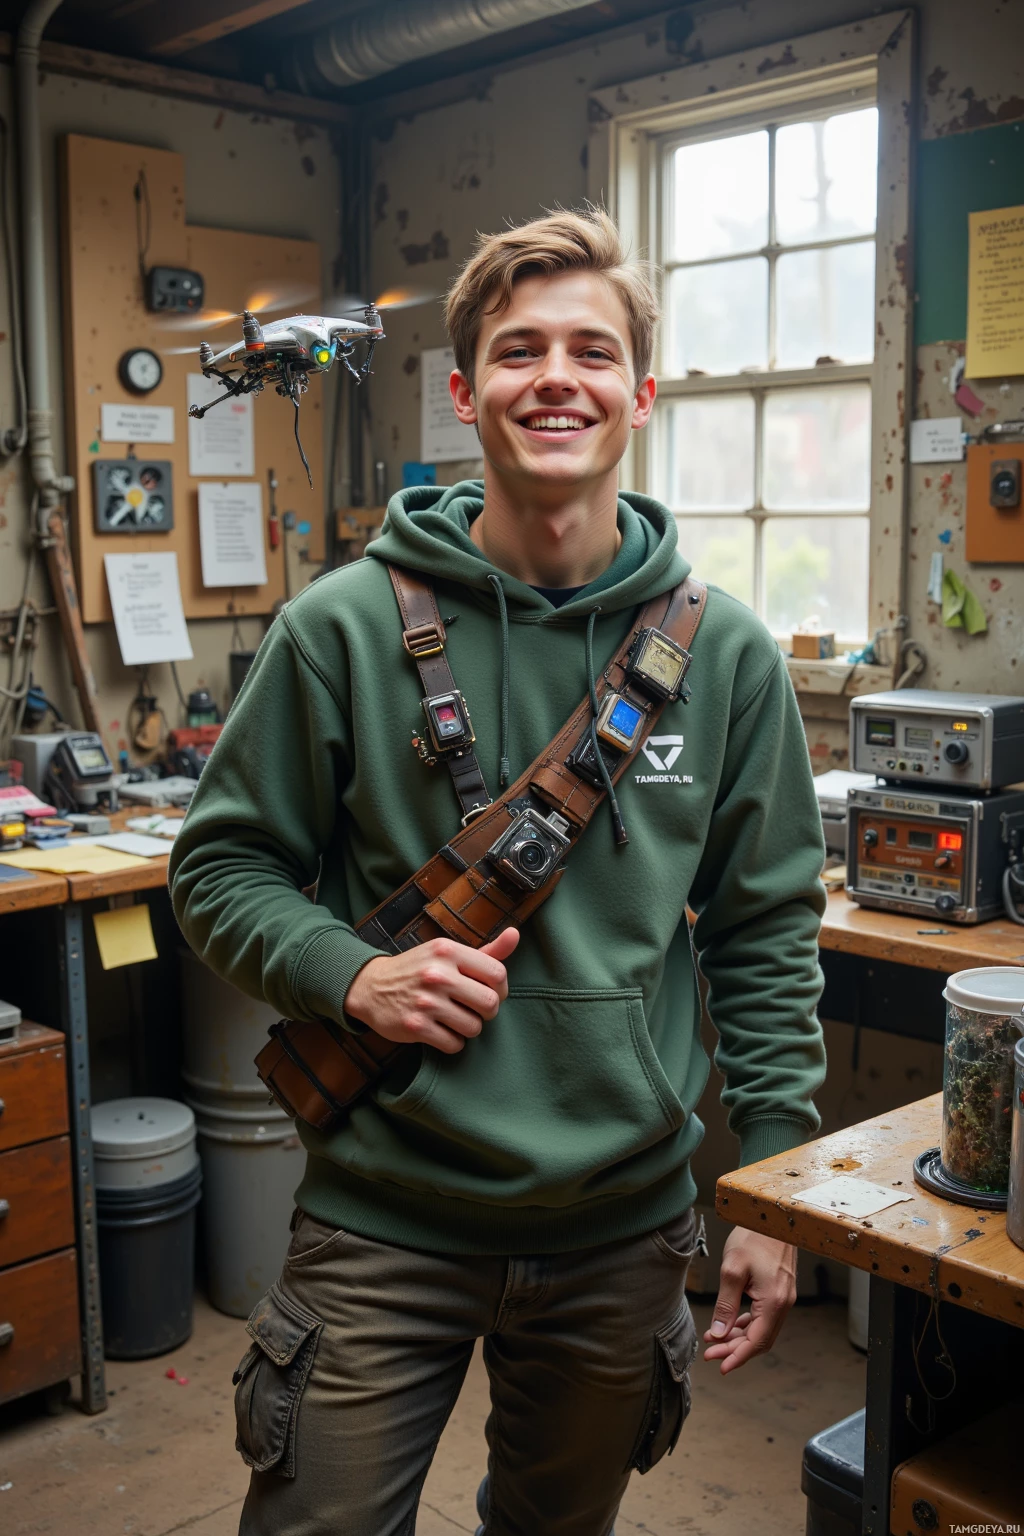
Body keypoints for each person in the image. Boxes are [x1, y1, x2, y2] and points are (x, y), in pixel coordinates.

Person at [169, 207, 827, 1536]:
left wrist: (775, 1187)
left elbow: (765, 928)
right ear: (465, 392)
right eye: (520, 351)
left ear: (638, 394)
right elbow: (221, 868)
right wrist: (355, 978)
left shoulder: (731, 657)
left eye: (593, 349)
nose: (557, 377)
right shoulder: (343, 629)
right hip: (384, 1213)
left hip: (622, 1227)